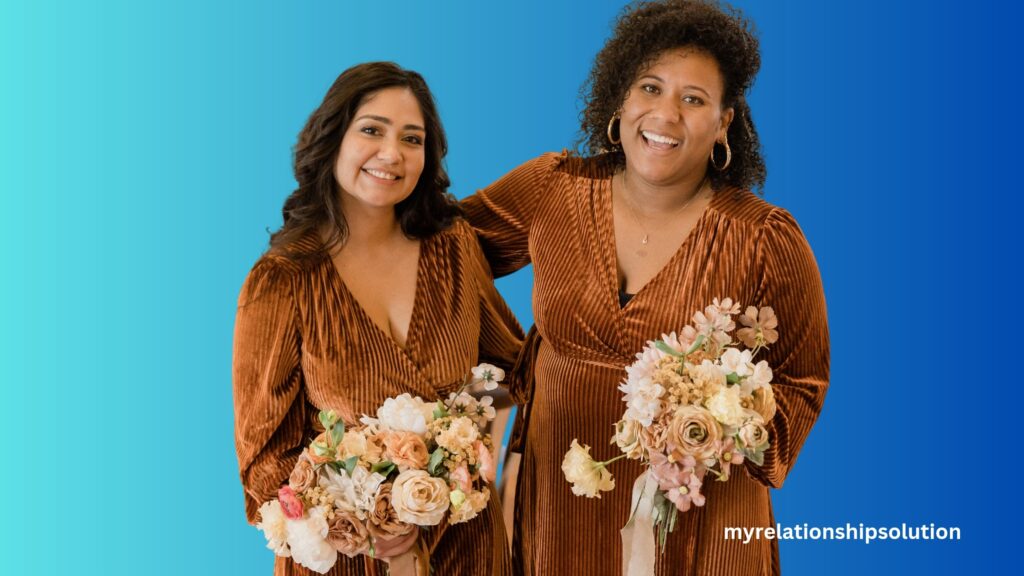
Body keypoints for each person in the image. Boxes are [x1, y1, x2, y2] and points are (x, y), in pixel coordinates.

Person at [462, 1, 829, 574]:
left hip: (699, 523)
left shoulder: (763, 238)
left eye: (693, 98)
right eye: (650, 88)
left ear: (724, 122)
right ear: (621, 100)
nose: (666, 114)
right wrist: (513, 363)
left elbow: (803, 381)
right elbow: (439, 256)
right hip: (559, 511)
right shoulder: (551, 191)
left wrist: (727, 427)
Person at [233, 62, 521, 576]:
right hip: (345, 557)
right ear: (333, 138)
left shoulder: (452, 246)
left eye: (413, 139)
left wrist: (467, 471)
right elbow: (264, 462)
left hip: (466, 546)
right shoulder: (283, 279)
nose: (392, 154)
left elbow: (506, 370)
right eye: (372, 130)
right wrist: (361, 521)